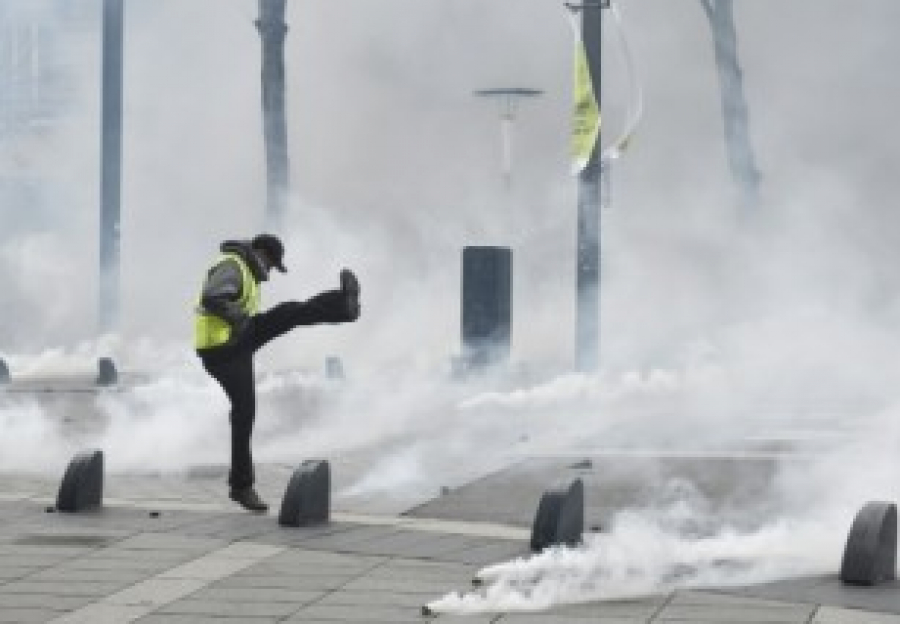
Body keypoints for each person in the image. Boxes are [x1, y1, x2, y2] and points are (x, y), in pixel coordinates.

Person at [194, 233, 360, 512]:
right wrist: (237, 321)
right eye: (270, 265)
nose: (269, 273)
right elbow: (212, 297)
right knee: (244, 413)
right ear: (261, 252)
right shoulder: (233, 265)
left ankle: (342, 304)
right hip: (223, 350)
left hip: (237, 342)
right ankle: (241, 487)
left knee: (289, 312)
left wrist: (241, 325)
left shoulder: (245, 268)